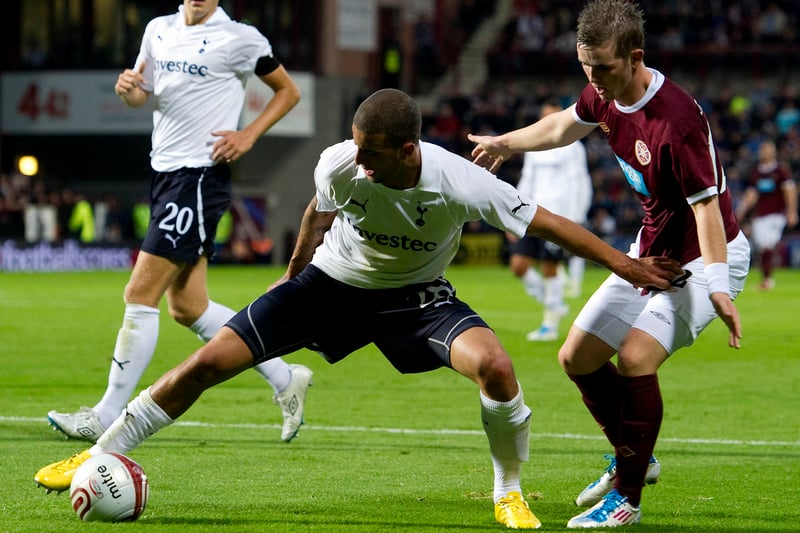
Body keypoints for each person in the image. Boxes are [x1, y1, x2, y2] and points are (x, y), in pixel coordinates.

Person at [35, 88, 683, 530]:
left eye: (370, 154)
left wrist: (628, 266)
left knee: (497, 367)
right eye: (354, 149)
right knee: (209, 361)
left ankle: (506, 489)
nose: (358, 165)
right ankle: (102, 450)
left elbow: (549, 226)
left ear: (407, 150)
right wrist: (292, 282)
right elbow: (319, 212)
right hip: (331, 285)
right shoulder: (342, 163)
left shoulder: (461, 180)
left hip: (418, 298)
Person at [468, 0, 750, 528]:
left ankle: (627, 498)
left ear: (635, 56)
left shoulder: (678, 118)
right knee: (576, 356)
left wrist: (718, 287)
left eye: (602, 68)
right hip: (652, 253)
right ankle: (636, 457)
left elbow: (707, 207)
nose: (592, 79)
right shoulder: (602, 94)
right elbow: (561, 128)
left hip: (706, 257)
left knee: (636, 357)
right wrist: (506, 143)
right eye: (584, 66)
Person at [46, 0, 312, 444]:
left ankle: (105, 413)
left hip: (200, 177)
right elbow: (140, 96)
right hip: (165, 172)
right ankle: (286, 378)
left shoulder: (239, 38)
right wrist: (127, 87)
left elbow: (288, 91)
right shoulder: (158, 29)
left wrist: (248, 134)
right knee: (188, 307)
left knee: (139, 292)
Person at [508, 100, 592, 341]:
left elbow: (578, 181)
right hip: (531, 212)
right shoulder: (534, 147)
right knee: (518, 265)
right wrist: (513, 212)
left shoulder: (573, 147)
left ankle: (549, 325)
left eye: (552, 116)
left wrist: (575, 216)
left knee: (549, 268)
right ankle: (555, 305)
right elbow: (527, 180)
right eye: (543, 116)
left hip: (558, 215)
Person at [735, 139, 797, 290]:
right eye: (762, 149)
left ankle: (768, 280)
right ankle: (766, 277)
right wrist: (741, 210)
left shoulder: (781, 171)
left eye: (767, 149)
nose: (764, 152)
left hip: (776, 214)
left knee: (767, 243)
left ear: (773, 152)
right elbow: (752, 193)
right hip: (760, 216)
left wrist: (791, 212)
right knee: (762, 246)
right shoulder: (756, 172)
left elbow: (789, 191)